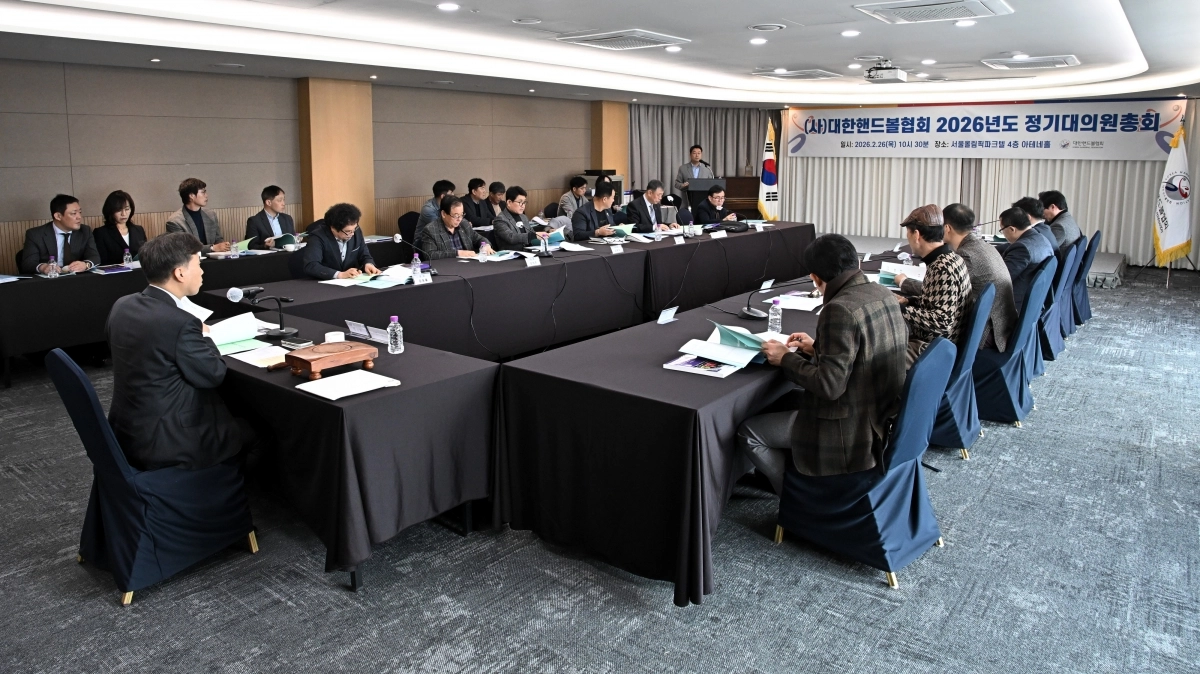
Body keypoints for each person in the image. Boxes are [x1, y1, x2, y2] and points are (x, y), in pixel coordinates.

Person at [736, 233, 907, 495]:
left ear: (815, 278)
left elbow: (829, 386)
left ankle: (797, 497)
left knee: (749, 432)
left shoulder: (839, 309)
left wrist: (785, 357)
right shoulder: (883, 293)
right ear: (857, 262)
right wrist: (817, 347)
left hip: (850, 430)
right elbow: (867, 350)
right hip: (881, 415)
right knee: (781, 401)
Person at [106, 232, 249, 471]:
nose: (202, 272)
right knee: (259, 431)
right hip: (171, 440)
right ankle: (217, 488)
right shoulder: (180, 322)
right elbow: (214, 374)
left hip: (125, 430)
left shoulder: (122, 305)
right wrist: (204, 334)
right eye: (199, 264)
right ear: (180, 273)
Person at [892, 205, 972, 366]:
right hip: (947, 342)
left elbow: (941, 321)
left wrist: (898, 309)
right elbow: (939, 303)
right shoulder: (952, 258)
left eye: (908, 233)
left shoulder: (942, 268)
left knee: (873, 354)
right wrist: (909, 301)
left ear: (916, 235)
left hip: (935, 349)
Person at [942, 203, 1018, 352]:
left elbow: (943, 290)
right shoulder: (983, 245)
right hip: (1005, 324)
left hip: (990, 332)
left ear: (947, 228)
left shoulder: (966, 255)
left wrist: (904, 282)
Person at [18, 194, 100, 274]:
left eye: (80, 212)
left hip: (76, 278)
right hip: (50, 279)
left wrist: (86, 264)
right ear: (58, 216)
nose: (79, 217)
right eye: (73, 213)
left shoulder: (85, 231)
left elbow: (95, 257)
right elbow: (28, 264)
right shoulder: (35, 234)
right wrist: (43, 267)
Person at [301, 203, 381, 280]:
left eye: (354, 229)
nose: (353, 234)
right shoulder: (318, 236)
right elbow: (311, 265)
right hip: (324, 283)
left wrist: (368, 264)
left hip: (350, 281)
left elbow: (364, 254)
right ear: (333, 228)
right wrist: (339, 274)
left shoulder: (355, 231)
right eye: (348, 231)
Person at [998, 206, 1053, 315]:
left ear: (1012, 229)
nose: (1002, 233)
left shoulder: (1022, 248)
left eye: (1002, 230)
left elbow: (1002, 278)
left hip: (1015, 304)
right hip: (1035, 301)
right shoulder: (1040, 238)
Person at [166, 178, 230, 255]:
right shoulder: (175, 221)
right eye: (203, 192)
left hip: (215, 258)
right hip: (190, 260)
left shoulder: (211, 214)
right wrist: (212, 248)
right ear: (191, 196)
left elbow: (218, 238)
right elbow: (183, 248)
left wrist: (223, 246)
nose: (206, 195)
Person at [418, 196, 493, 259]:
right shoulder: (431, 229)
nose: (459, 219)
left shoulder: (464, 224)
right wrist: (457, 253)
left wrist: (486, 245)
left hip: (469, 265)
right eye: (456, 215)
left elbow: (479, 238)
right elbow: (430, 255)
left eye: (462, 215)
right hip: (448, 268)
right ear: (443, 214)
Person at [94, 190, 146, 266]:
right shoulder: (101, 233)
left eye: (127, 209)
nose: (123, 214)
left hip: (138, 272)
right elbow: (101, 262)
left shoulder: (139, 230)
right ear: (110, 211)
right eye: (118, 210)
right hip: (115, 273)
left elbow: (145, 256)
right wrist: (118, 266)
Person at [492, 186, 550, 250]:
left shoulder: (523, 217)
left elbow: (532, 233)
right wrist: (533, 235)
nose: (523, 206)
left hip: (529, 252)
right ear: (509, 202)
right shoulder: (500, 220)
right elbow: (511, 237)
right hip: (512, 254)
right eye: (520, 202)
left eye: (524, 202)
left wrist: (547, 232)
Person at [244, 185, 295, 250]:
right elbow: (251, 246)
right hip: (268, 255)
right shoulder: (254, 221)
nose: (283, 203)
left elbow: (291, 239)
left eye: (284, 200)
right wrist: (265, 246)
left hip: (288, 254)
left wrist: (296, 239)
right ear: (268, 202)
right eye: (280, 200)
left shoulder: (287, 218)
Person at [674, 144, 714, 209]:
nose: (697, 155)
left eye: (699, 153)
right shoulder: (683, 168)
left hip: (704, 200)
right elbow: (677, 184)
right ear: (690, 155)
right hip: (688, 200)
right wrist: (683, 185)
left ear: (701, 155)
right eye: (694, 153)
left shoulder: (707, 168)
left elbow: (711, 184)